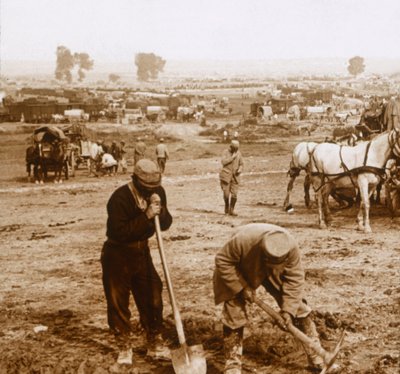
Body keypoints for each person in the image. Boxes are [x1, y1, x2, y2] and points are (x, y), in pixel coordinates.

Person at [214, 223, 325, 374]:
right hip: (240, 265)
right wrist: (242, 287)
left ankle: (317, 355)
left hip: (274, 267)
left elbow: (294, 279)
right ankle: (232, 364)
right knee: (234, 311)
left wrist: (288, 311)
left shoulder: (289, 247)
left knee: (298, 306)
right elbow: (222, 260)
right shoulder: (243, 241)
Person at [101, 159, 173, 365]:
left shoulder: (158, 192)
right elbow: (120, 232)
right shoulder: (119, 198)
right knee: (118, 302)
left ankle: (154, 342)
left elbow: (165, 224)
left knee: (153, 294)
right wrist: (147, 215)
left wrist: (161, 209)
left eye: (154, 186)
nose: (151, 190)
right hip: (117, 254)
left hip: (142, 253)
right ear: (135, 180)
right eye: (147, 187)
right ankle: (124, 346)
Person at [219, 140, 244, 216]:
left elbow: (241, 164)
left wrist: (240, 169)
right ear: (231, 147)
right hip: (226, 177)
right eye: (235, 148)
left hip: (235, 177)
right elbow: (223, 162)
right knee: (226, 194)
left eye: (237, 148)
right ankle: (226, 206)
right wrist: (232, 158)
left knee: (234, 195)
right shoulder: (225, 152)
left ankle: (231, 210)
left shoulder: (239, 153)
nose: (236, 150)